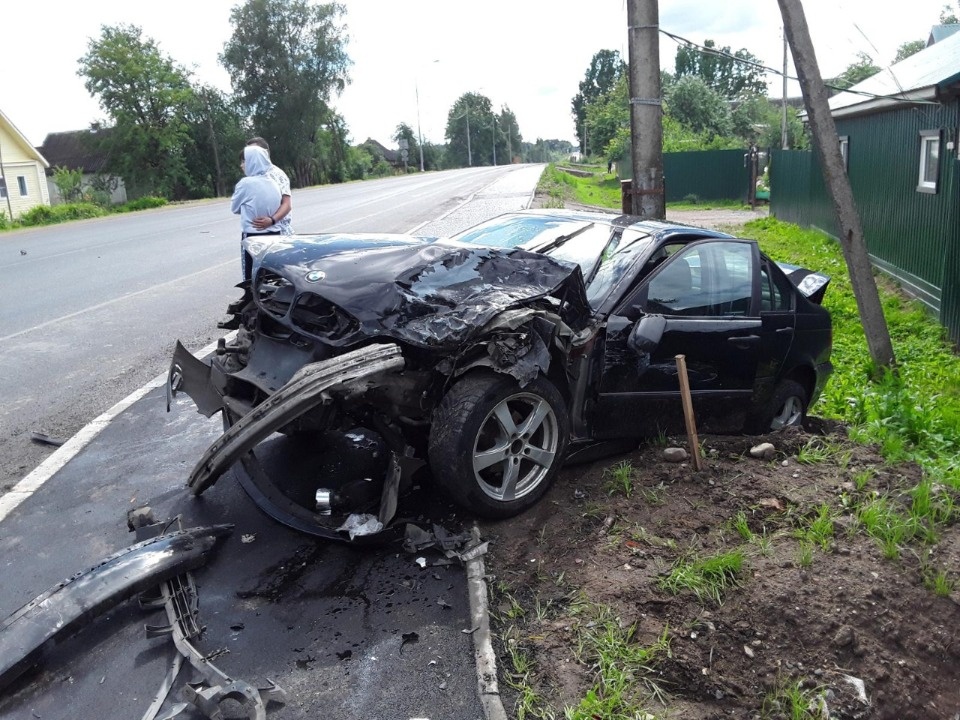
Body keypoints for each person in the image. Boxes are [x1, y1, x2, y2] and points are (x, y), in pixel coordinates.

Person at [231, 144, 282, 281]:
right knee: (272, 277)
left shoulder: (245, 183)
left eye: (244, 161)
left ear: (253, 162)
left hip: (253, 237)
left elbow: (234, 208)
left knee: (251, 277)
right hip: (275, 235)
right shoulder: (273, 182)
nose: (241, 165)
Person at [246, 137, 293, 236]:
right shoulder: (253, 176)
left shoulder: (277, 175)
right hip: (260, 233)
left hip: (279, 233)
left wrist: (272, 220)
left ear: (265, 153)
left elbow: (287, 204)